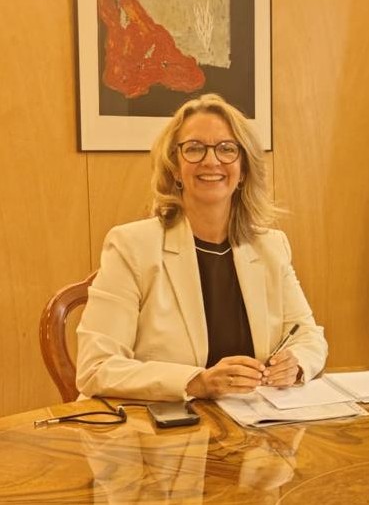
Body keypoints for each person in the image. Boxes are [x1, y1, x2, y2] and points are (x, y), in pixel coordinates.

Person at [77, 94, 328, 401]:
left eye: (227, 149)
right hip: (159, 426)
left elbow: (308, 335)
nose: (211, 161)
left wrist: (296, 364)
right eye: (194, 148)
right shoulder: (132, 246)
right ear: (174, 167)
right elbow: (96, 367)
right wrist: (196, 382)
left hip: (251, 422)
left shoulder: (271, 246)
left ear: (243, 170)